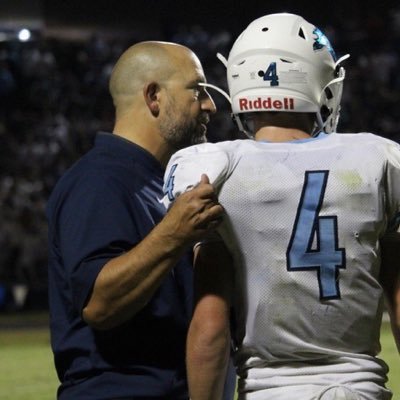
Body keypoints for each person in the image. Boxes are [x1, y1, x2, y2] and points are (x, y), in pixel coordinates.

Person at [162, 14, 400, 400]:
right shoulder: (379, 158)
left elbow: (210, 326)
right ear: (320, 82)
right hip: (360, 388)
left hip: (269, 390)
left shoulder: (214, 169)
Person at [46, 41, 225, 399]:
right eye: (198, 90)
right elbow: (99, 303)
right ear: (154, 97)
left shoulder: (152, 180)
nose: (211, 105)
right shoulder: (99, 181)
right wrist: (173, 234)